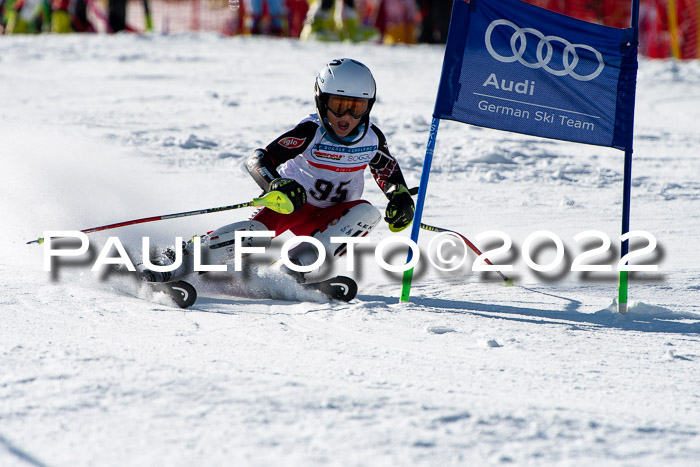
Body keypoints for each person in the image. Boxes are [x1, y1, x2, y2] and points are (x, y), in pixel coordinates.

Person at [138, 58, 415, 286]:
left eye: (357, 108)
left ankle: (290, 272)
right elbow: (258, 159)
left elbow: (387, 169)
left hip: (332, 218)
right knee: (253, 236)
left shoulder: (371, 138)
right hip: (292, 205)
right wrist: (275, 184)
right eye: (339, 106)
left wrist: (399, 196)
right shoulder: (311, 132)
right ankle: (174, 262)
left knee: (367, 213)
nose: (347, 118)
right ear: (322, 101)